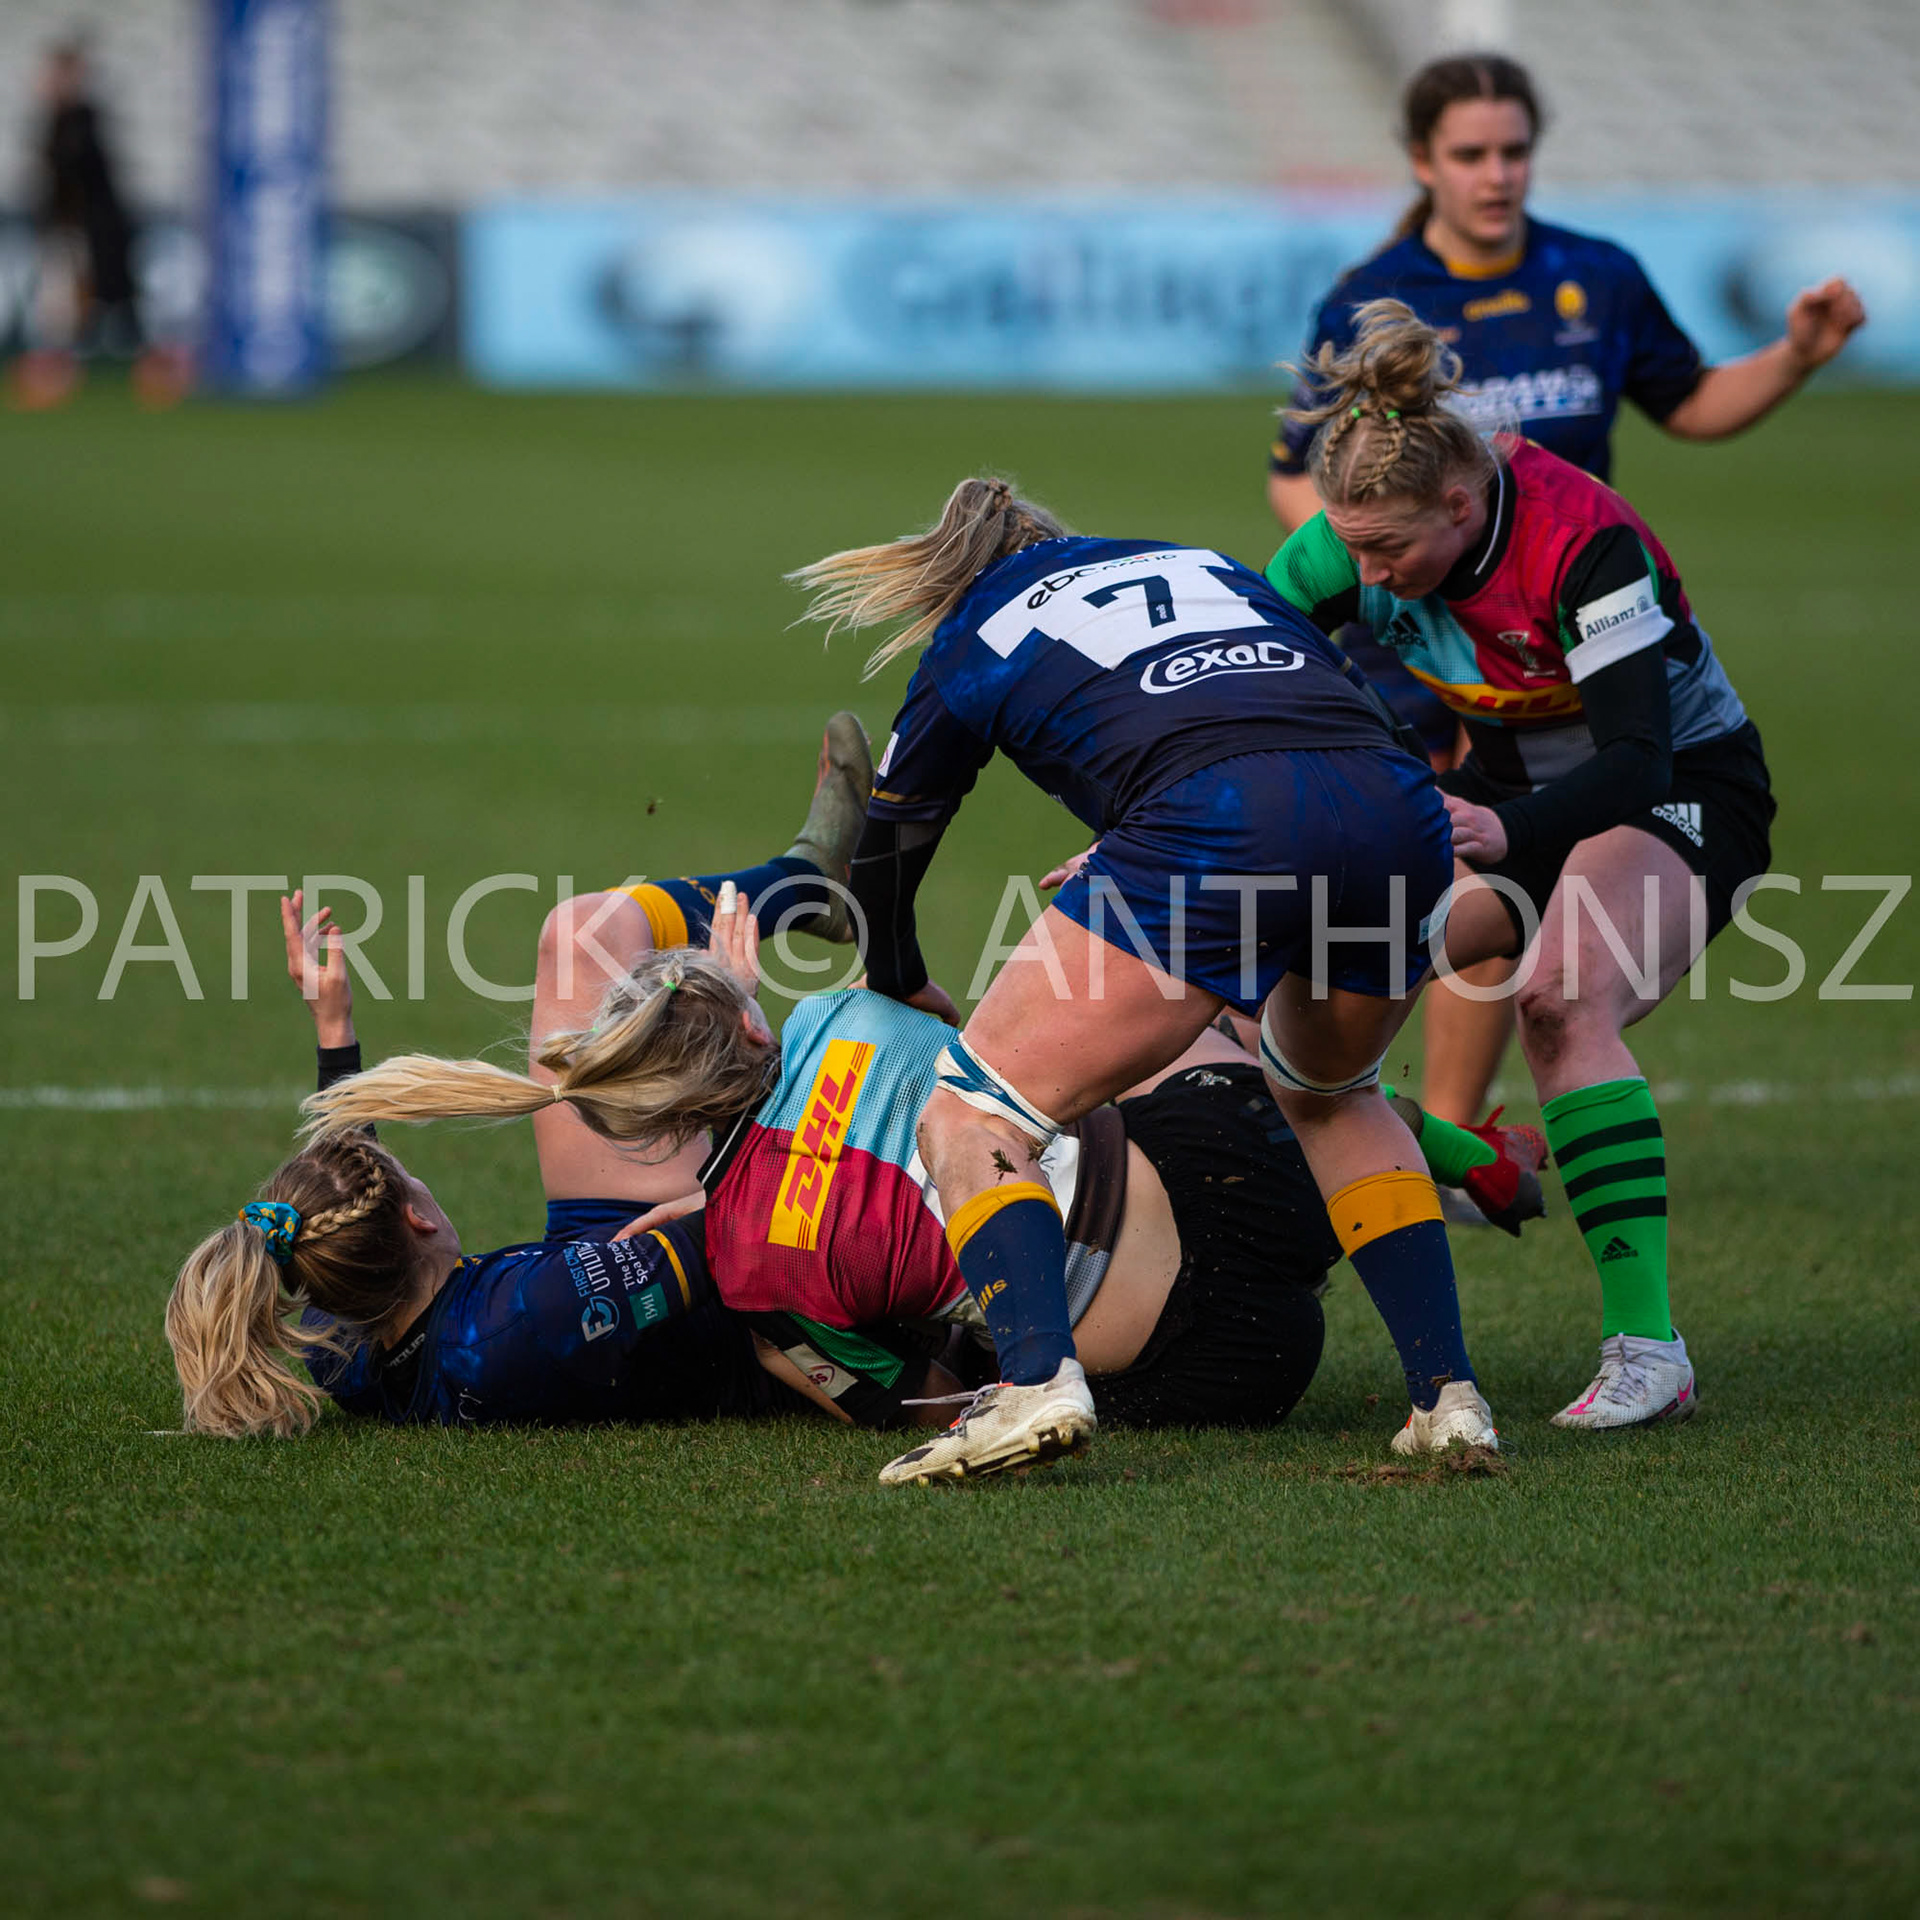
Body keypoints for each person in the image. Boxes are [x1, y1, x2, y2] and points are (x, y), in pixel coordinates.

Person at [790, 478, 1502, 1483]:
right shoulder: (1205, 564)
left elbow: (893, 841)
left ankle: (1036, 1385)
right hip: (1392, 805)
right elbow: (1345, 701)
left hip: (1218, 815)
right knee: (1332, 1094)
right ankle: (1449, 1400)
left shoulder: (978, 626)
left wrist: (898, 976)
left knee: (972, 1113)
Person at [1264, 51, 1864, 1129]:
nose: (1497, 174)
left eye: (1514, 151)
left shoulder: (1598, 276)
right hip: (1428, 634)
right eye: (1471, 154)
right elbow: (1304, 486)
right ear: (1423, 162)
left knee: (1526, 879)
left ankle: (1451, 1133)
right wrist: (1379, 572)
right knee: (1442, 868)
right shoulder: (1366, 302)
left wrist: (1796, 357)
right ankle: (1445, 1132)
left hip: (1571, 620)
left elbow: (1687, 404)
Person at [1267, 297, 1778, 1430]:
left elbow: (1639, 756)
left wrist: (1513, 835)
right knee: (1300, 986)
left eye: (1392, 550)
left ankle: (1651, 1350)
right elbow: (1246, 680)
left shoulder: (1582, 542)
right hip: (1497, 799)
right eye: (1354, 552)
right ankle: (1465, 1154)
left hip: (1677, 790)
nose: (1372, 578)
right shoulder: (1348, 541)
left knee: (1557, 998)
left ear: (1461, 502)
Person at [164, 726, 877, 1436]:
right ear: (413, 1219)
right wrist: (738, 1012)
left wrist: (333, 1027)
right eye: (409, 1186)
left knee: (580, 933)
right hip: (739, 1286)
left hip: (597, 1243)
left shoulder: (343, 1329)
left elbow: (347, 1196)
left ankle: (812, 884)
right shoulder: (520, 1325)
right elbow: (736, 1227)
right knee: (859, 1048)